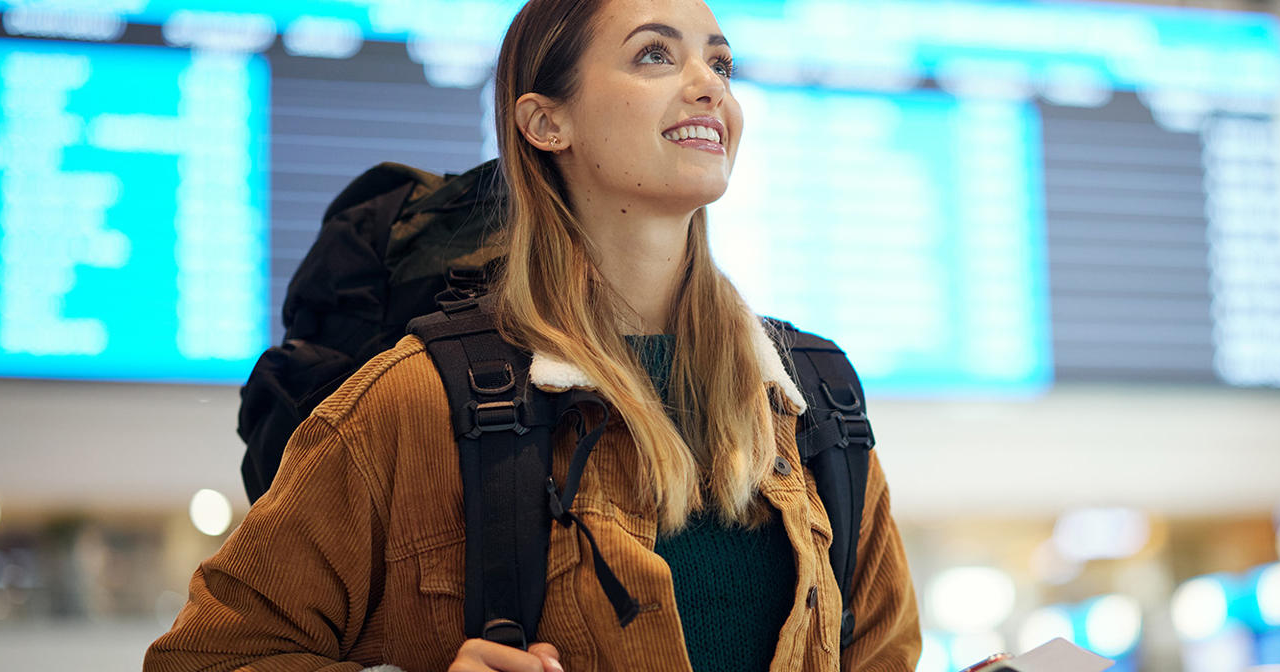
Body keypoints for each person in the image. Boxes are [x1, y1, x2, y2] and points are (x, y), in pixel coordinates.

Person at [143, 0, 921, 669]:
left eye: (721, 64)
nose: (708, 86)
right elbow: (206, 657)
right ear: (546, 121)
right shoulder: (416, 402)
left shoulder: (813, 405)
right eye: (655, 55)